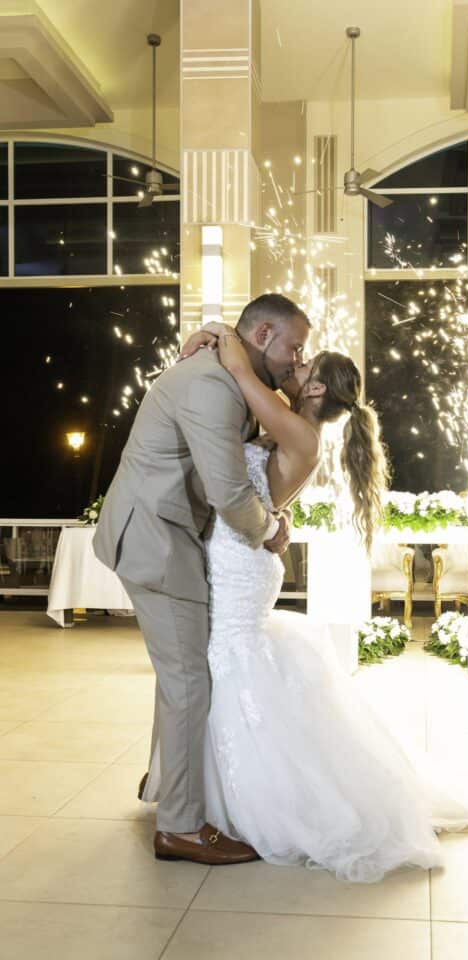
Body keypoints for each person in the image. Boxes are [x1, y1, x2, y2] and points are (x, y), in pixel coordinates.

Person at [153, 321, 468, 883]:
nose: (294, 364)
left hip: (241, 559)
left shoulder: (299, 431)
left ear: (313, 390)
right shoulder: (295, 427)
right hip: (242, 553)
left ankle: (226, 801)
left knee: (223, 662)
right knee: (221, 663)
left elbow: (239, 371)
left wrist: (221, 335)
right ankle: (195, 793)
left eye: (304, 365)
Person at [93, 294, 311, 865]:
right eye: (294, 347)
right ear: (262, 335)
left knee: (181, 674)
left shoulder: (226, 371)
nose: (297, 359)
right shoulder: (214, 384)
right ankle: (181, 827)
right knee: (189, 678)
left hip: (167, 533)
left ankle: (167, 784)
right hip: (157, 539)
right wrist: (273, 531)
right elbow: (230, 493)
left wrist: (219, 331)